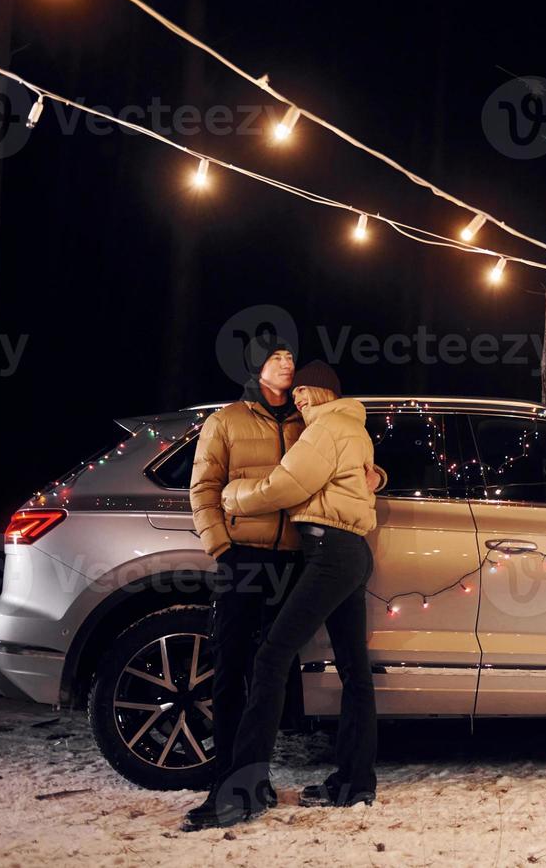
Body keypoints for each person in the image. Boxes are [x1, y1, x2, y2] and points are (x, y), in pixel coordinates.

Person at [184, 361, 387, 830]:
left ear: (323, 392)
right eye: (292, 391)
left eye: (303, 390)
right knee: (354, 669)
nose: (296, 397)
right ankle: (355, 781)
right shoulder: (350, 426)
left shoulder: (324, 429)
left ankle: (243, 790)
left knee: (270, 659)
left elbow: (285, 486)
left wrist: (233, 496)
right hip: (348, 552)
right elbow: (356, 477)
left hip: (328, 552)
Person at [186, 339, 304, 824]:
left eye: (291, 358)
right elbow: (203, 487)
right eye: (277, 358)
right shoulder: (227, 419)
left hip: (291, 559)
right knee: (230, 665)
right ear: (257, 369)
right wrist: (221, 547)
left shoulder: (306, 422)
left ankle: (256, 776)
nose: (287, 364)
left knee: (271, 672)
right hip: (243, 556)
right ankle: (225, 775)